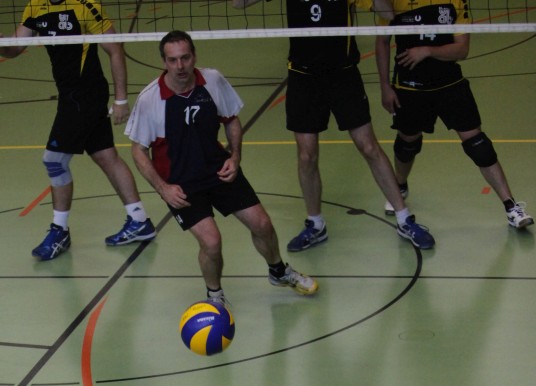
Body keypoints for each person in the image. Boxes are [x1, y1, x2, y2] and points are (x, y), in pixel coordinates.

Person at [125, 31, 318, 303]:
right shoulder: (151, 99)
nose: (180, 66)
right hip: (181, 184)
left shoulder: (212, 81)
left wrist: (235, 156)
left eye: (185, 58)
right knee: (212, 242)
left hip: (218, 169)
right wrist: (163, 188)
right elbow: (138, 150)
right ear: (164, 62)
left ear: (194, 56)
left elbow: (231, 119)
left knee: (262, 224)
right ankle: (215, 296)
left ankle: (278, 271)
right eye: (173, 60)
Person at [233, 0, 435, 251]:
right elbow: (238, 4)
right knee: (306, 155)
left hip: (343, 74)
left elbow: (386, 11)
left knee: (368, 146)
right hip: (303, 76)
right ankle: (315, 224)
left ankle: (404, 218)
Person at [0, 0, 156, 261]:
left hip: (85, 95)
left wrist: (121, 99)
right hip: (69, 94)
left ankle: (59, 231)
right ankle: (139, 220)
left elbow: (115, 49)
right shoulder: (35, 6)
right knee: (106, 156)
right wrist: (3, 44)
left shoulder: (85, 6)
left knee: (54, 161)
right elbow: (16, 47)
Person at [374, 0, 534, 228]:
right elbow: (382, 41)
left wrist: (427, 51)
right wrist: (384, 86)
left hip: (450, 85)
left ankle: (511, 207)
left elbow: (462, 49)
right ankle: (399, 184)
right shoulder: (392, 3)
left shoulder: (455, 2)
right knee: (407, 143)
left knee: (479, 145)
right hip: (410, 87)